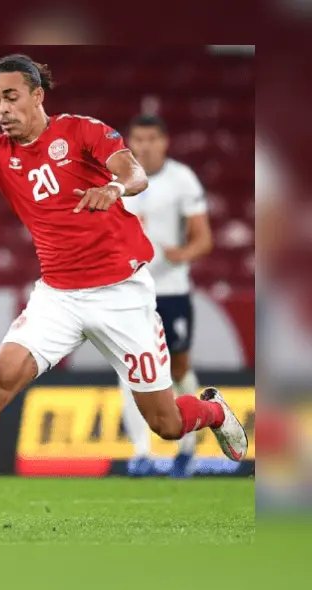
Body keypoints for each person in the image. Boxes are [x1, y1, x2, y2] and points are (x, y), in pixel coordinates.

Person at [0, 53, 248, 534]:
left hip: (122, 295)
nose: (2, 109)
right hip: (58, 297)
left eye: (11, 97)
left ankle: (213, 411)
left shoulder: (81, 132)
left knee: (164, 423)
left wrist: (116, 188)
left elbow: (135, 172)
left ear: (38, 95)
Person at [119, 114, 213, 478]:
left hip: (172, 290)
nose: (144, 146)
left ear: (164, 142)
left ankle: (187, 450)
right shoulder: (118, 178)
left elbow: (203, 238)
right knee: (130, 368)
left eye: (151, 139)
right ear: (130, 141)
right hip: (130, 291)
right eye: (137, 139)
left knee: (178, 368)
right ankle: (140, 453)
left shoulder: (181, 179)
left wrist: (182, 254)